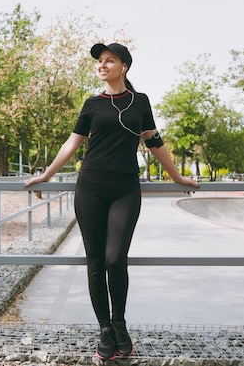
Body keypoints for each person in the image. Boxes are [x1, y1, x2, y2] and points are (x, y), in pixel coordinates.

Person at [24, 42, 199, 360]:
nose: (102, 65)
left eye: (110, 60)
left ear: (124, 67)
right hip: (90, 187)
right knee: (95, 261)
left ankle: (120, 323)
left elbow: (155, 142)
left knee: (115, 258)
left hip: (124, 189)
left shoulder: (140, 101)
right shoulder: (91, 105)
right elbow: (72, 143)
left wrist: (177, 177)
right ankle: (105, 329)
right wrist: (47, 174)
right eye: (100, 61)